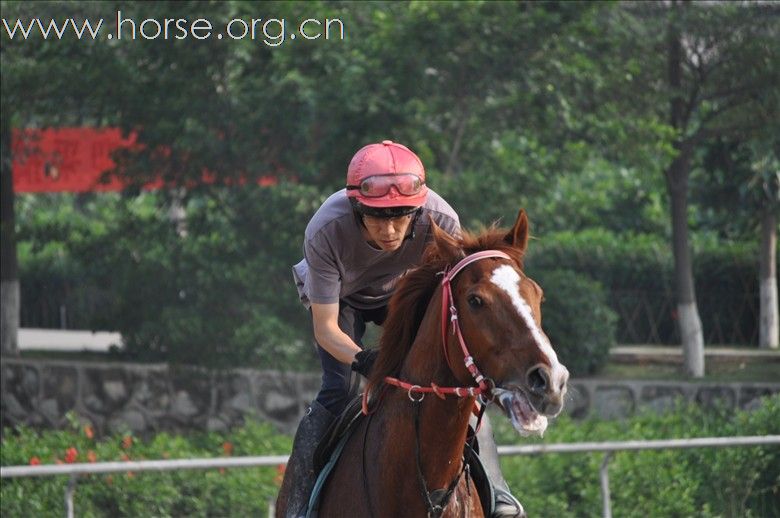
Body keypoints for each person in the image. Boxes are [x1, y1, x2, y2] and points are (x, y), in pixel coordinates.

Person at [279, 140, 525, 518]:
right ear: (357, 209)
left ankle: (498, 492)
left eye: (402, 215)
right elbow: (326, 328)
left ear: (419, 209)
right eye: (379, 217)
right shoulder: (325, 229)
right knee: (339, 388)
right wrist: (364, 359)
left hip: (405, 292)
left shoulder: (441, 220)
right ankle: (299, 502)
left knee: (457, 386)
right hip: (343, 299)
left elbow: (450, 300)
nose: (391, 229)